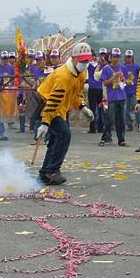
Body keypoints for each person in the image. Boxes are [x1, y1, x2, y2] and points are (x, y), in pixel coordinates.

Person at [36, 43, 95, 185]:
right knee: (64, 134)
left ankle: (45, 173)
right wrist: (45, 123)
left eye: (87, 61)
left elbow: (76, 94)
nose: (84, 64)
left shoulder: (82, 73)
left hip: (60, 107)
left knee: (56, 139)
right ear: (73, 59)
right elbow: (52, 101)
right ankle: (52, 170)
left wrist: (83, 107)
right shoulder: (63, 76)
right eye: (82, 61)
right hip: (46, 103)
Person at [99, 48, 128, 147]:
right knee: (110, 119)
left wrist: (122, 78)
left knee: (121, 120)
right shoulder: (107, 69)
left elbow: (125, 82)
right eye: (114, 56)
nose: (116, 58)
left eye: (117, 56)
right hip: (112, 97)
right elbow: (104, 83)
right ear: (111, 57)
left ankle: (121, 139)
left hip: (122, 96)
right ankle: (104, 137)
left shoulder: (123, 68)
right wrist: (113, 78)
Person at [123, 49, 140, 131]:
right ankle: (129, 126)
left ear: (132, 57)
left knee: (136, 109)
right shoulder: (122, 67)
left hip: (134, 91)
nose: (128, 58)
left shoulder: (137, 67)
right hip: (125, 91)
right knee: (125, 110)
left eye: (130, 57)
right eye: (127, 57)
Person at [0, 51, 17, 129]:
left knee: (11, 105)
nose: (5, 60)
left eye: (6, 58)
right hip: (2, 89)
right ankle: (3, 121)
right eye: (4, 58)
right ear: (1, 59)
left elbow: (14, 78)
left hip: (10, 89)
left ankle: (10, 121)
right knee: (3, 106)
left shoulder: (11, 67)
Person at [87, 50, 104, 133]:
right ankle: (101, 127)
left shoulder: (88, 64)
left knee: (92, 109)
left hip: (92, 88)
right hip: (100, 88)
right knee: (101, 108)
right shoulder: (101, 64)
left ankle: (92, 128)